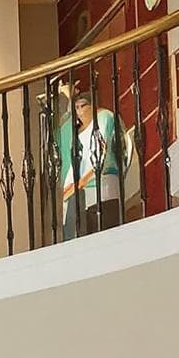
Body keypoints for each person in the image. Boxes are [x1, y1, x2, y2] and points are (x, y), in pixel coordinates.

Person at [54, 83, 130, 240]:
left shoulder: (104, 118)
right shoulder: (74, 130)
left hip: (102, 183)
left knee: (103, 232)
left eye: (83, 106)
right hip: (78, 191)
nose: (80, 111)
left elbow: (104, 152)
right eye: (77, 107)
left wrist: (86, 178)